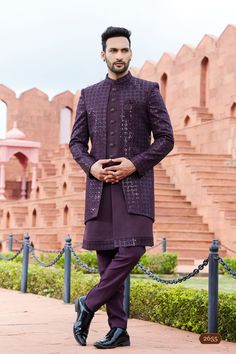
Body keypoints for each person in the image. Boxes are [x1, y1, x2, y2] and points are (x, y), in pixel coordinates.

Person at [69, 26, 174, 349]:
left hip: (136, 187)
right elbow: (76, 143)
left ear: (131, 53)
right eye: (113, 51)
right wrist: (92, 167)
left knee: (133, 248)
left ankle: (87, 303)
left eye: (124, 50)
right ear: (103, 54)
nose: (119, 56)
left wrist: (134, 163)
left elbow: (167, 138)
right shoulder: (89, 94)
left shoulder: (147, 90)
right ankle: (119, 330)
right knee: (106, 256)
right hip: (99, 190)